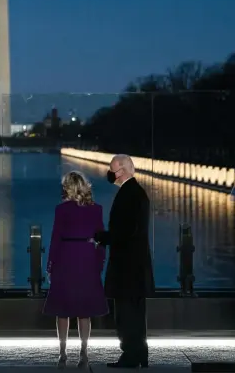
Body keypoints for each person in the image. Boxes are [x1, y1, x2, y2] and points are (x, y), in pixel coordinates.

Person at [94, 154, 155, 369]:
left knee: (127, 314)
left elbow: (126, 232)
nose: (110, 174)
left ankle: (130, 355)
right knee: (136, 314)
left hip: (127, 267)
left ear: (124, 170)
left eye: (112, 170)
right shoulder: (137, 193)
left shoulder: (129, 194)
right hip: (136, 266)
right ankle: (140, 354)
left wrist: (102, 237)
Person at [43, 171, 108, 369]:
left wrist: (50, 265)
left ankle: (62, 353)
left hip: (66, 257)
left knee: (63, 310)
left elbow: (55, 238)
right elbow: (101, 239)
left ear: (68, 187)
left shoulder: (61, 209)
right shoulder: (96, 209)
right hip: (87, 258)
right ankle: (84, 352)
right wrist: (99, 262)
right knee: (84, 310)